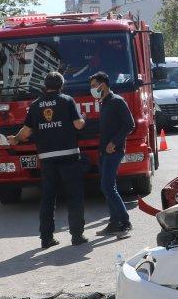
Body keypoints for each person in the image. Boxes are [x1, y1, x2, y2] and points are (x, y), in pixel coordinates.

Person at [11, 71, 88, 248]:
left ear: (45, 85)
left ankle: (46, 239)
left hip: (47, 159)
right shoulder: (67, 100)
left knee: (47, 199)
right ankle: (77, 236)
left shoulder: (36, 105)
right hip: (69, 156)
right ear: (62, 85)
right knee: (74, 197)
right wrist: (83, 118)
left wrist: (15, 139)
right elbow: (78, 125)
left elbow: (26, 131)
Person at [90, 71, 136, 237]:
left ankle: (125, 222)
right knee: (107, 186)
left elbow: (130, 125)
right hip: (104, 151)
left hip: (114, 151)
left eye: (94, 86)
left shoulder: (117, 101)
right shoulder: (105, 103)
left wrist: (114, 142)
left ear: (103, 85)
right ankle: (114, 222)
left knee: (108, 186)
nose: (92, 89)